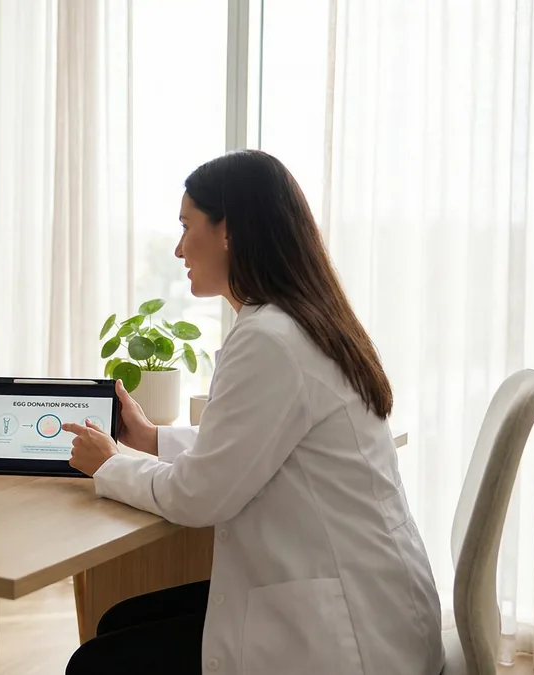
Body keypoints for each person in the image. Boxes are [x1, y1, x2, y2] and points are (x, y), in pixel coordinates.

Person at [62, 150, 444, 675]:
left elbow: (199, 496)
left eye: (185, 225)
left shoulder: (271, 339)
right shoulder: (300, 320)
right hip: (368, 601)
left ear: (228, 231)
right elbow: (252, 447)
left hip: (347, 635)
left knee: (97, 661)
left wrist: (110, 463)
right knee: (120, 621)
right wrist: (153, 440)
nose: (177, 248)